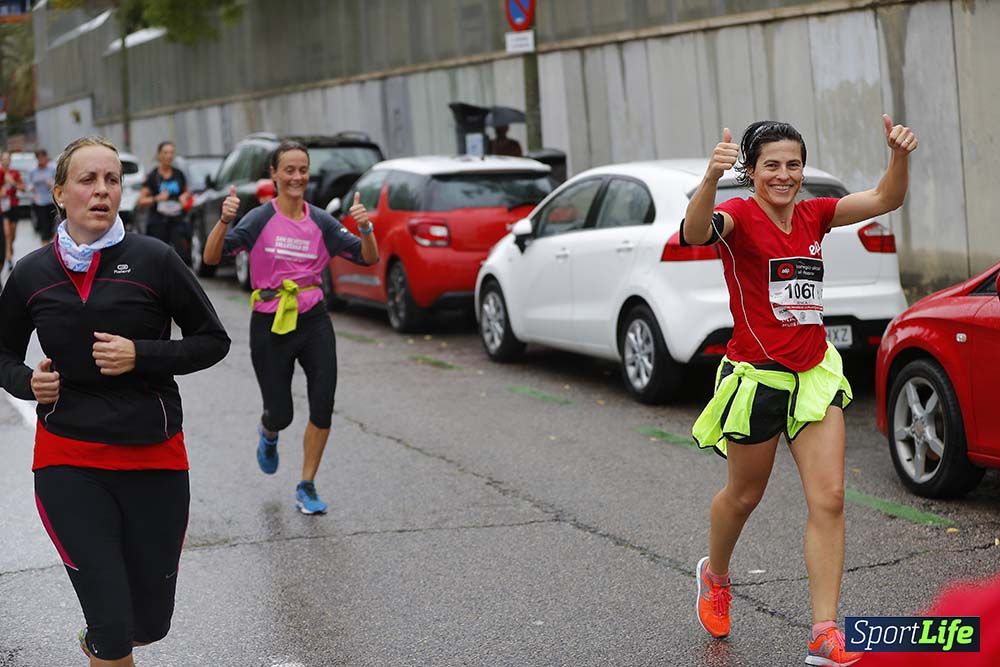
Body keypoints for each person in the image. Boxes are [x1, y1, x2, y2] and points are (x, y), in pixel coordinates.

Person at [683, 116, 917, 666]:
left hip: (813, 374)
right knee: (744, 497)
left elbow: (886, 197)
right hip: (757, 378)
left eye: (793, 164)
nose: (784, 175)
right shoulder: (737, 215)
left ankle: (824, 632)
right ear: (751, 170)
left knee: (830, 498)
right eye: (772, 166)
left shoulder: (816, 213)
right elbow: (695, 232)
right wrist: (710, 180)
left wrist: (899, 155)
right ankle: (715, 576)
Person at [0, 136, 230, 667]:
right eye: (88, 180)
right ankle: (104, 639)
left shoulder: (156, 260)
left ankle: (103, 640)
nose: (102, 191)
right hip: (68, 460)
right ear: (59, 193)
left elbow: (213, 340)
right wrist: (25, 381)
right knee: (113, 626)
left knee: (149, 624)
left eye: (112, 180)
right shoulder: (32, 273)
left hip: (154, 455)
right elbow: (3, 352)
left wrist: (141, 354)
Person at [202, 140, 378, 514]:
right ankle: (269, 432)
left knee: (323, 403)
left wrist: (365, 228)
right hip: (270, 320)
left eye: (302, 170)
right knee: (281, 413)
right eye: (289, 170)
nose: (297, 177)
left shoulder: (320, 221)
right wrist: (224, 220)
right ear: (275, 175)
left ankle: (307, 484)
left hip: (313, 319)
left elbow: (366, 257)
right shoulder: (260, 218)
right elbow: (211, 256)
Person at [138, 141, 190, 260]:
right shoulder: (153, 175)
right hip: (158, 222)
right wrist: (157, 198)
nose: (169, 156)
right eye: (165, 153)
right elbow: (141, 201)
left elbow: (187, 192)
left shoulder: (179, 174)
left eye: (171, 153)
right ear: (159, 155)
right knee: (159, 256)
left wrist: (184, 197)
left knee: (181, 255)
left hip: (176, 220)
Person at [2, 150, 24, 271]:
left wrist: (13, 184)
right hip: (2, 208)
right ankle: (9, 258)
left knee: (12, 233)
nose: (6, 161)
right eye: (4, 159)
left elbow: (23, 188)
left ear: (10, 160)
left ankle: (9, 248)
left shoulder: (14, 173)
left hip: (14, 205)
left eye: (7, 159)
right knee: (7, 234)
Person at [30, 149, 58, 244]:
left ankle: (53, 247)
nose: (41, 160)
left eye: (43, 157)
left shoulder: (53, 169)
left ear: (46, 158)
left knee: (53, 227)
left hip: (52, 201)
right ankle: (45, 250)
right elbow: (29, 184)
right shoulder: (33, 171)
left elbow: (59, 183)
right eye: (39, 158)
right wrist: (32, 191)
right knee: (43, 227)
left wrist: (52, 183)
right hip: (39, 202)